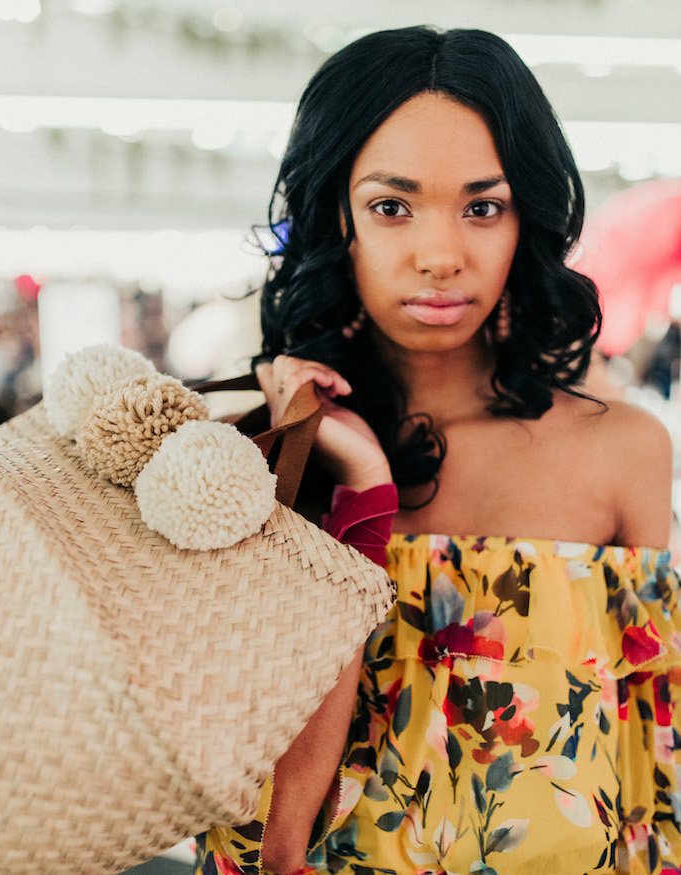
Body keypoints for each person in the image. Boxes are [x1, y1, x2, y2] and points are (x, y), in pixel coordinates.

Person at [195, 26, 681, 875]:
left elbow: (656, 776)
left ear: (526, 213)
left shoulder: (622, 451)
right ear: (335, 214)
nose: (440, 255)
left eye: (482, 206)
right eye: (392, 206)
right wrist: (325, 473)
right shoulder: (249, 455)